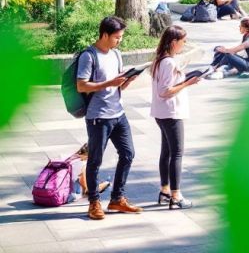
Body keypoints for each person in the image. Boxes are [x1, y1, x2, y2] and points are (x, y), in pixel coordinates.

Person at [77, 16, 143, 220]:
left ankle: (117, 199)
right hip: (98, 117)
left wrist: (127, 81)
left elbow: (118, 86)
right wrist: (109, 82)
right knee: (95, 160)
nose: (119, 40)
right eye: (117, 37)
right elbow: (82, 85)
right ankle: (94, 202)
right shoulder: (89, 56)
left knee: (128, 154)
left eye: (121, 37)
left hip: (118, 113)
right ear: (104, 35)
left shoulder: (116, 54)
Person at [150, 25, 202, 210]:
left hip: (161, 113)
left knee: (167, 152)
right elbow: (165, 91)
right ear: (174, 42)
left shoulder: (161, 60)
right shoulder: (168, 63)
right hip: (171, 113)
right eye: (183, 41)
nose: (184, 44)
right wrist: (187, 83)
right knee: (176, 154)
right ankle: (176, 195)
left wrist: (182, 74)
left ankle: (165, 191)